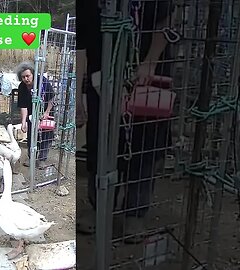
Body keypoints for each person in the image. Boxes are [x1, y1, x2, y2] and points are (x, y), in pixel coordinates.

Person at [77, 0, 175, 244]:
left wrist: (151, 61)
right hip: (102, 80)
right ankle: (100, 207)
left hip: (146, 79)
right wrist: (78, 93)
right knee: (100, 144)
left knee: (144, 145)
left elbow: (166, 20)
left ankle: (135, 212)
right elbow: (81, 43)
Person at [16, 61, 55, 169]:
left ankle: (42, 159)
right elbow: (23, 106)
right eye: (23, 77)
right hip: (31, 114)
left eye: (28, 76)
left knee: (46, 136)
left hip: (46, 111)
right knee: (31, 135)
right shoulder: (22, 87)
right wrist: (23, 122)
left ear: (33, 74)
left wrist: (46, 112)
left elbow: (52, 98)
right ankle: (31, 157)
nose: (26, 79)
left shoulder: (43, 82)